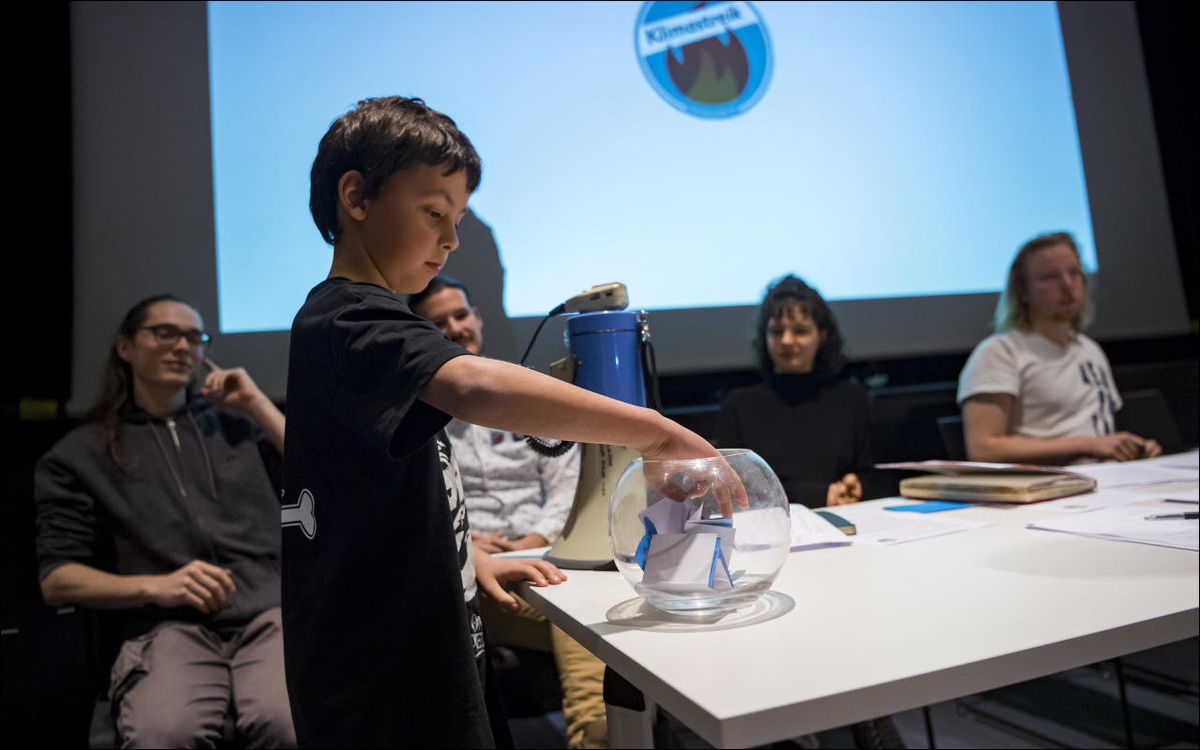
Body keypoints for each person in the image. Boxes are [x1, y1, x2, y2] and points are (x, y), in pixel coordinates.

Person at [283, 95, 741, 748]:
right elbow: (472, 383)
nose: (450, 238)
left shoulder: (357, 329)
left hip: (422, 651)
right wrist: (660, 433)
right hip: (382, 688)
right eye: (433, 212)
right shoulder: (346, 319)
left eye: (458, 218)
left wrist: (459, 555)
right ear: (356, 197)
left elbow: (364, 500)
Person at [33, 294, 296, 748]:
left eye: (194, 337)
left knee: (290, 726)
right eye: (164, 333)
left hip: (268, 615)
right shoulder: (80, 455)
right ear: (125, 347)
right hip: (164, 627)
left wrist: (255, 403)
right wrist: (156, 586)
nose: (182, 346)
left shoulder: (239, 428)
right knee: (165, 733)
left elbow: (324, 476)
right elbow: (58, 580)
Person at [411, 275, 608, 749]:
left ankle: (597, 738)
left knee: (584, 608)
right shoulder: (410, 415)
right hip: (469, 576)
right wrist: (465, 544)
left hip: (544, 554)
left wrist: (531, 539)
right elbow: (415, 504)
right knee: (575, 617)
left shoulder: (524, 393)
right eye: (438, 323)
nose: (455, 328)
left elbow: (569, 487)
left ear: (477, 318)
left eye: (460, 315)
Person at [958, 231, 1162, 464]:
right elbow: (984, 448)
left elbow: (1101, 433)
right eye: (1050, 277)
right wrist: (1088, 445)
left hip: (1107, 480)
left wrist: (1132, 448)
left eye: (1074, 273)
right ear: (1022, 291)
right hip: (1045, 488)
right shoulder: (1000, 351)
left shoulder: (1089, 349)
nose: (1067, 285)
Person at [717, 275, 879, 508]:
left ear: (822, 336)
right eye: (776, 331)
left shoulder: (852, 398)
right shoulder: (739, 405)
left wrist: (857, 484)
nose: (787, 340)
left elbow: (873, 473)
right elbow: (737, 487)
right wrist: (821, 494)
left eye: (800, 331)